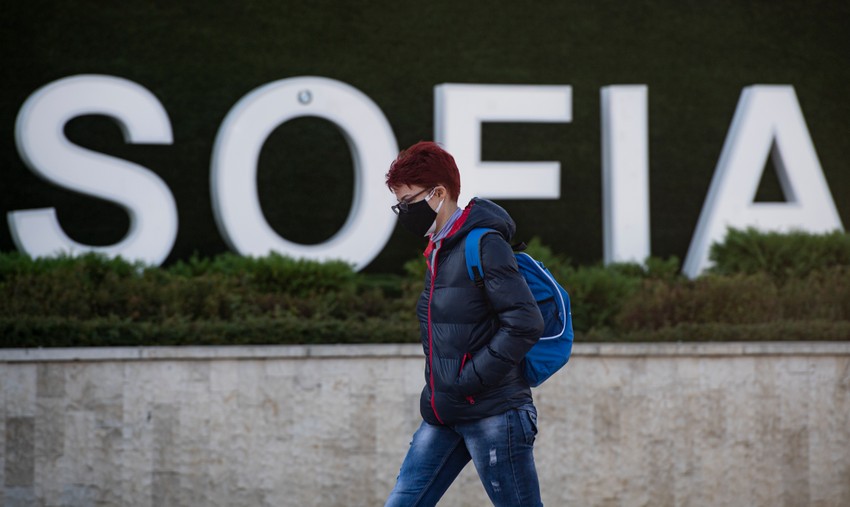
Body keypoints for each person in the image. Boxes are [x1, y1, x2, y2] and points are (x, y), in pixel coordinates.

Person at [384, 141, 545, 507]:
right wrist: (445, 390)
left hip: (494, 413)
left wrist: (468, 380)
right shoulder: (439, 250)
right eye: (399, 204)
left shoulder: (484, 245)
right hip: (445, 413)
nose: (403, 212)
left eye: (408, 201)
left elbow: (524, 322)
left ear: (439, 193)